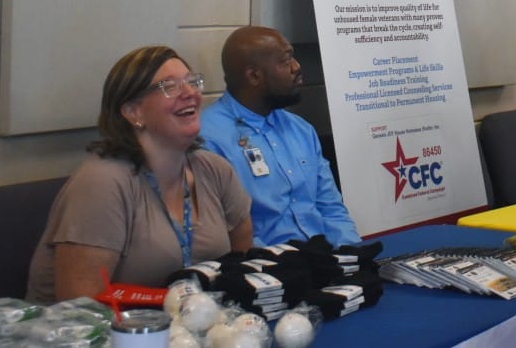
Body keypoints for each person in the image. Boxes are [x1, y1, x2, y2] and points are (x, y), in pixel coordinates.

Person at [27, 46, 253, 303]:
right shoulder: (102, 183)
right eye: (170, 86)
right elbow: (80, 304)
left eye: (192, 82)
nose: (190, 93)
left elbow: (240, 261)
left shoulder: (215, 170)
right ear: (133, 112)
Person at [199, 26, 360, 247]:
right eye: (286, 61)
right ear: (254, 76)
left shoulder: (301, 130)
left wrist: (352, 256)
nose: (297, 67)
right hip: (267, 269)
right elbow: (226, 235)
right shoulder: (208, 139)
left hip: (325, 262)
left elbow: (331, 208)